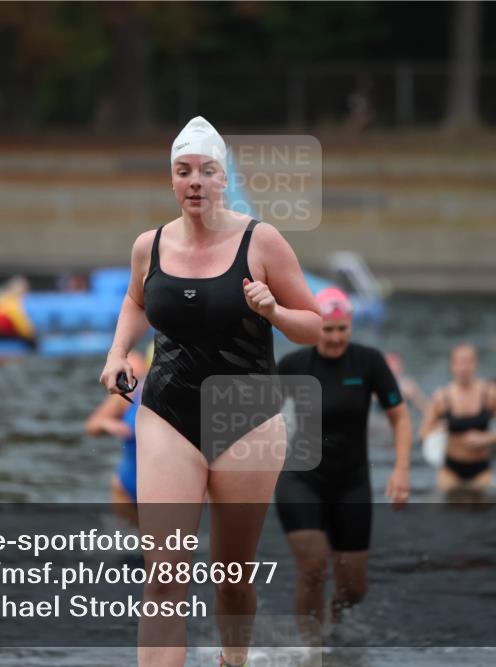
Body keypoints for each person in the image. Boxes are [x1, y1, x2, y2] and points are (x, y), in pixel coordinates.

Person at [98, 116, 321, 667]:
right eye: (183, 172)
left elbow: (317, 326)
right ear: (171, 182)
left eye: (206, 170)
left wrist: (274, 310)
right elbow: (135, 303)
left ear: (223, 179)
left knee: (231, 581)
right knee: (163, 580)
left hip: (246, 417)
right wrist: (118, 351)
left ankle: (233, 660)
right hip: (167, 414)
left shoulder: (260, 240)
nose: (194, 181)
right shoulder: (148, 246)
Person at [274, 287, 412, 642]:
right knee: (314, 566)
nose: (334, 337)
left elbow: (400, 417)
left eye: (341, 329)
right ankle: (309, 648)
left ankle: (333, 617)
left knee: (354, 588)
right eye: (327, 329)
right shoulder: (294, 366)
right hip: (300, 478)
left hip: (351, 481)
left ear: (350, 326)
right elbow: (257, 418)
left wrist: (400, 470)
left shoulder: (368, 363)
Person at [418, 344, 496, 493]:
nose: (464, 367)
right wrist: (441, 429)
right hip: (451, 469)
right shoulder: (442, 397)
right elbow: (423, 432)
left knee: (483, 510)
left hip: (481, 468)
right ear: (452, 366)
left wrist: (486, 438)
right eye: (460, 362)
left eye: (469, 362)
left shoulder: (490, 394)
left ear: (476, 365)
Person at [85, 347, 151, 526]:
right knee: (126, 550)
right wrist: (108, 424)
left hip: (170, 489)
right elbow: (92, 425)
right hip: (127, 487)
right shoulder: (131, 393)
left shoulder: (188, 397)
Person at [0, 275, 36, 348]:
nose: (27, 293)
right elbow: (23, 326)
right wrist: (32, 337)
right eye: (25, 290)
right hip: (2, 336)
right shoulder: (11, 302)